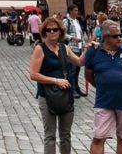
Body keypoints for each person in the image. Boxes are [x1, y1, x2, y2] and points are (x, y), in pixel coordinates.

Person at [30, 17, 90, 154]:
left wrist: (88, 49)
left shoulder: (65, 48)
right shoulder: (40, 49)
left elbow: (79, 62)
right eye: (48, 29)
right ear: (44, 32)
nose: (52, 32)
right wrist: (56, 81)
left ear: (60, 31)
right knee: (50, 135)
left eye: (55, 29)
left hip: (65, 96)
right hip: (47, 96)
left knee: (66, 135)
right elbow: (33, 74)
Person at [84, 20, 122, 154]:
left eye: (120, 35)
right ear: (105, 37)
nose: (119, 38)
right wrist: (103, 86)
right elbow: (88, 75)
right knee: (98, 138)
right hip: (104, 101)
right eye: (115, 36)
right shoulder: (94, 52)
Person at [63, 5, 87, 98]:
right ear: (70, 11)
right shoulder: (66, 21)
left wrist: (84, 45)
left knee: (77, 71)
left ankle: (77, 88)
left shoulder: (76, 21)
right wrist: (72, 38)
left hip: (79, 48)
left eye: (77, 10)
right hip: (71, 48)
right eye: (75, 10)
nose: (77, 12)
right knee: (72, 71)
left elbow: (80, 35)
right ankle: (72, 90)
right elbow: (63, 34)